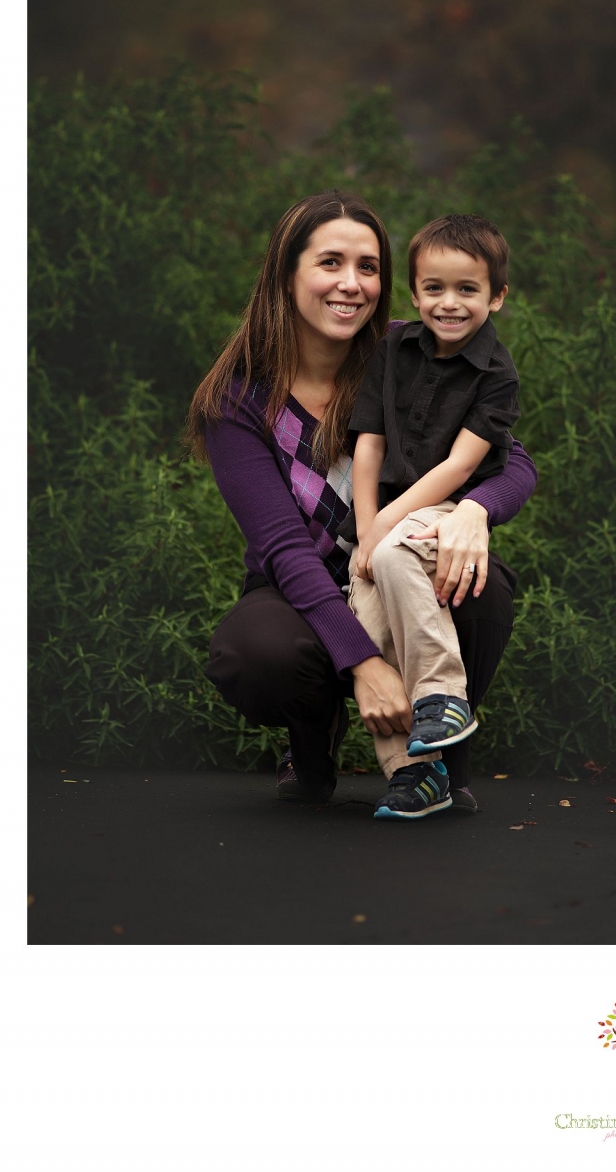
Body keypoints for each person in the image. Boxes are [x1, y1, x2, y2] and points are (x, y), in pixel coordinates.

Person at [184, 190, 538, 819]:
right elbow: (284, 550)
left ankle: (437, 757)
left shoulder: (415, 351)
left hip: (404, 568)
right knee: (257, 652)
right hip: (304, 588)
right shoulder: (236, 401)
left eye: (368, 267)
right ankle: (311, 738)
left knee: (481, 585)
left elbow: (514, 462)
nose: (351, 284)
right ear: (286, 273)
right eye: (330, 263)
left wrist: (474, 512)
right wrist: (365, 663)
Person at [343, 214, 520, 818]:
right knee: (365, 615)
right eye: (434, 288)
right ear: (414, 292)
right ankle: (415, 775)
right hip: (380, 516)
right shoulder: (392, 346)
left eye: (467, 289)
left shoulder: (497, 376)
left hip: (441, 510)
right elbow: (367, 442)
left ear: (496, 296)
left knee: (391, 556)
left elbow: (458, 466)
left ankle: (444, 695)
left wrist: (385, 527)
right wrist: (365, 526)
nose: (449, 303)